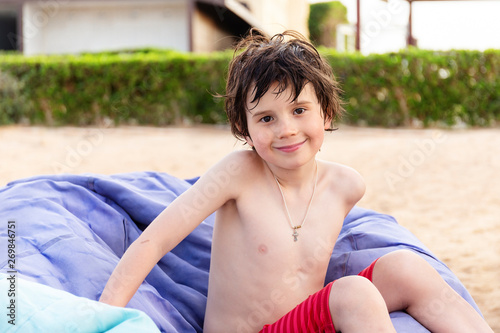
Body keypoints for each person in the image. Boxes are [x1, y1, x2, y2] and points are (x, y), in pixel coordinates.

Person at [99, 30, 493, 333]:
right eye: (266, 118)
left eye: (300, 110)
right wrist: (103, 318)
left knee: (405, 266)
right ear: (245, 129)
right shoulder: (239, 173)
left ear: (326, 114)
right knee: (354, 293)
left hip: (305, 321)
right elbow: (156, 240)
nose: (286, 129)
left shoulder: (345, 185)